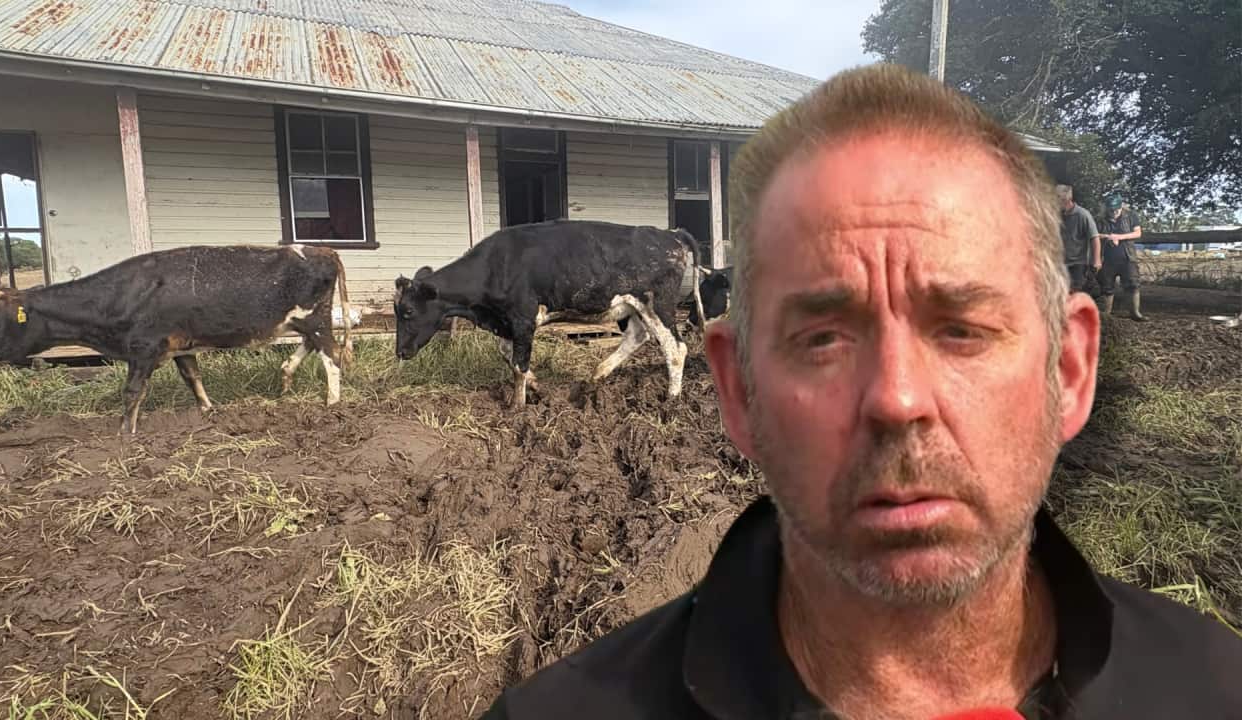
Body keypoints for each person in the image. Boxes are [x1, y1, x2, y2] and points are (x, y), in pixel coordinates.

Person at [480, 64, 1241, 720]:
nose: (897, 399)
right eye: (824, 339)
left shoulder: (1215, 691)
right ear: (739, 392)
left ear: (1069, 371)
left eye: (962, 330)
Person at [1096, 192, 1147, 320]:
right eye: (1111, 210)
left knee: (1133, 284)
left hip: (1128, 257)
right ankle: (1106, 315)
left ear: (1121, 206)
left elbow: (1137, 233)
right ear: (1106, 208)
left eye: (1116, 209)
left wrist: (1119, 237)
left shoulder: (1131, 216)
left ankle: (1135, 313)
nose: (1114, 212)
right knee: (1106, 286)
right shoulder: (1099, 219)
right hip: (1107, 258)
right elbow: (1094, 235)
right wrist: (1109, 237)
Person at [1056, 184, 1101, 293]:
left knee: (1075, 293)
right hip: (1060, 262)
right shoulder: (1058, 215)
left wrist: (1096, 260)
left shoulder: (1083, 215)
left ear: (1067, 199)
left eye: (1058, 199)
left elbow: (1095, 238)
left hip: (1078, 263)